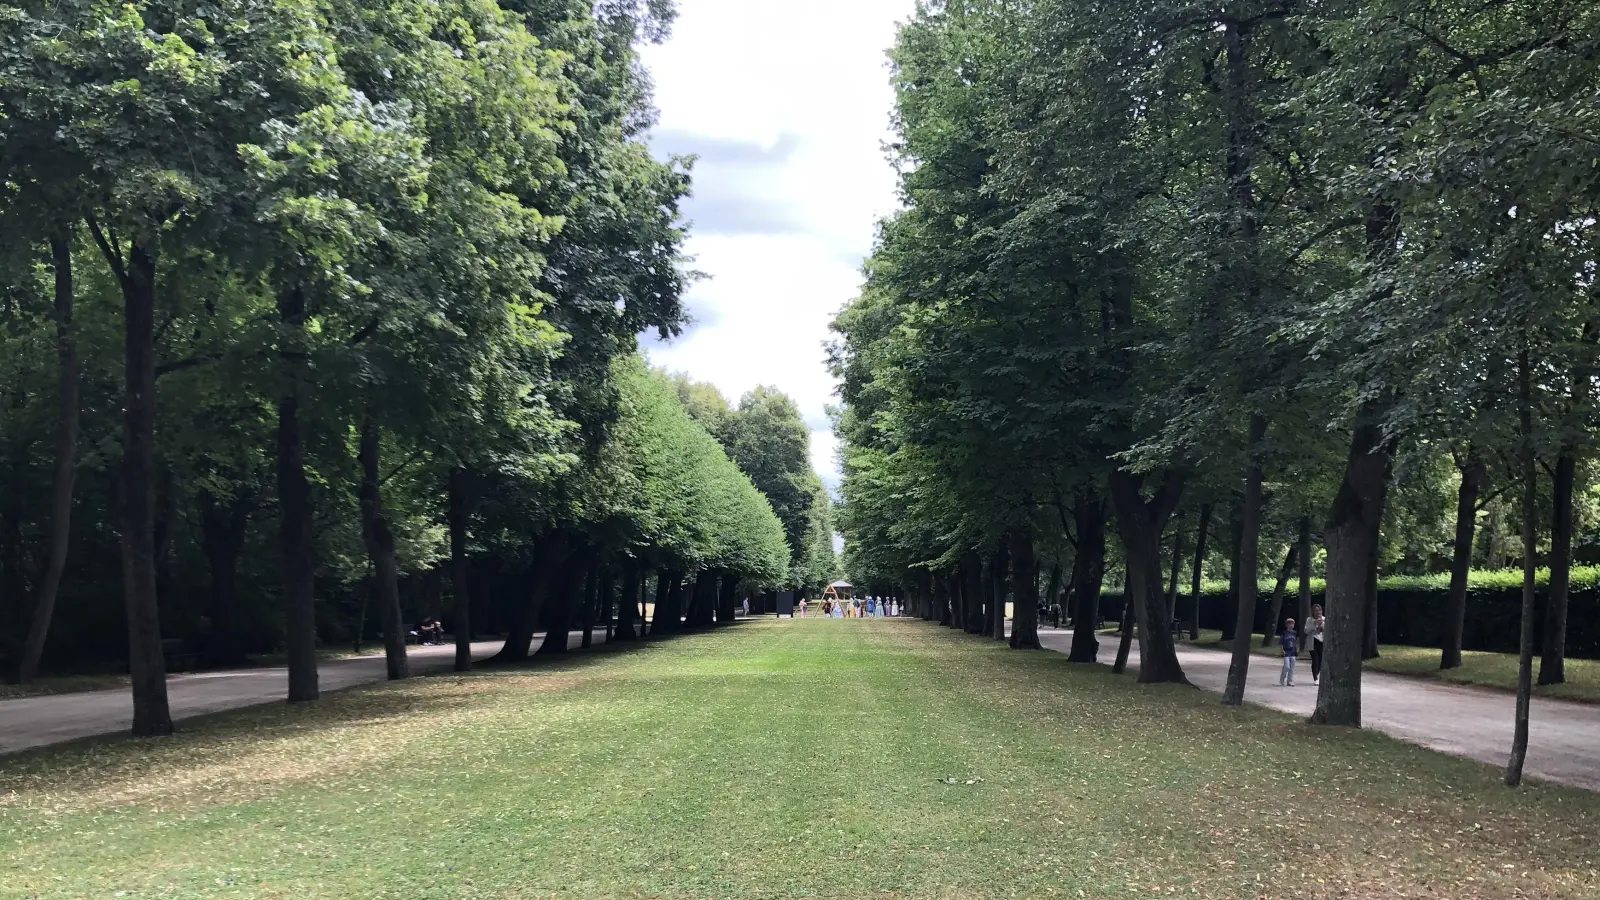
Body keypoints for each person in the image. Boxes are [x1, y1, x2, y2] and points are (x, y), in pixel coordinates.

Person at [1307, 603, 1326, 685]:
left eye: (1319, 610)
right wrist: (1315, 624)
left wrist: (1322, 625)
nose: (1318, 612)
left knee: (1321, 660)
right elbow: (1306, 630)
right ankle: (1315, 678)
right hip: (1313, 641)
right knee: (1315, 659)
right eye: (1316, 610)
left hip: (1322, 641)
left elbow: (1326, 630)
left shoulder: (1324, 619)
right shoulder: (1309, 620)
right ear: (1313, 612)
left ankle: (1317, 674)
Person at [1279, 618, 1299, 686]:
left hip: (1292, 651)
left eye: (1292, 623)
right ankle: (1282, 677)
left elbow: (1295, 642)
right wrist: (1282, 651)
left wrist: (1296, 649)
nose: (1291, 625)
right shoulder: (1284, 633)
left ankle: (1290, 680)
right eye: (1289, 623)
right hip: (1286, 651)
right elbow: (1281, 643)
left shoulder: (1294, 633)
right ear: (1286, 625)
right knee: (1287, 666)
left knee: (1292, 667)